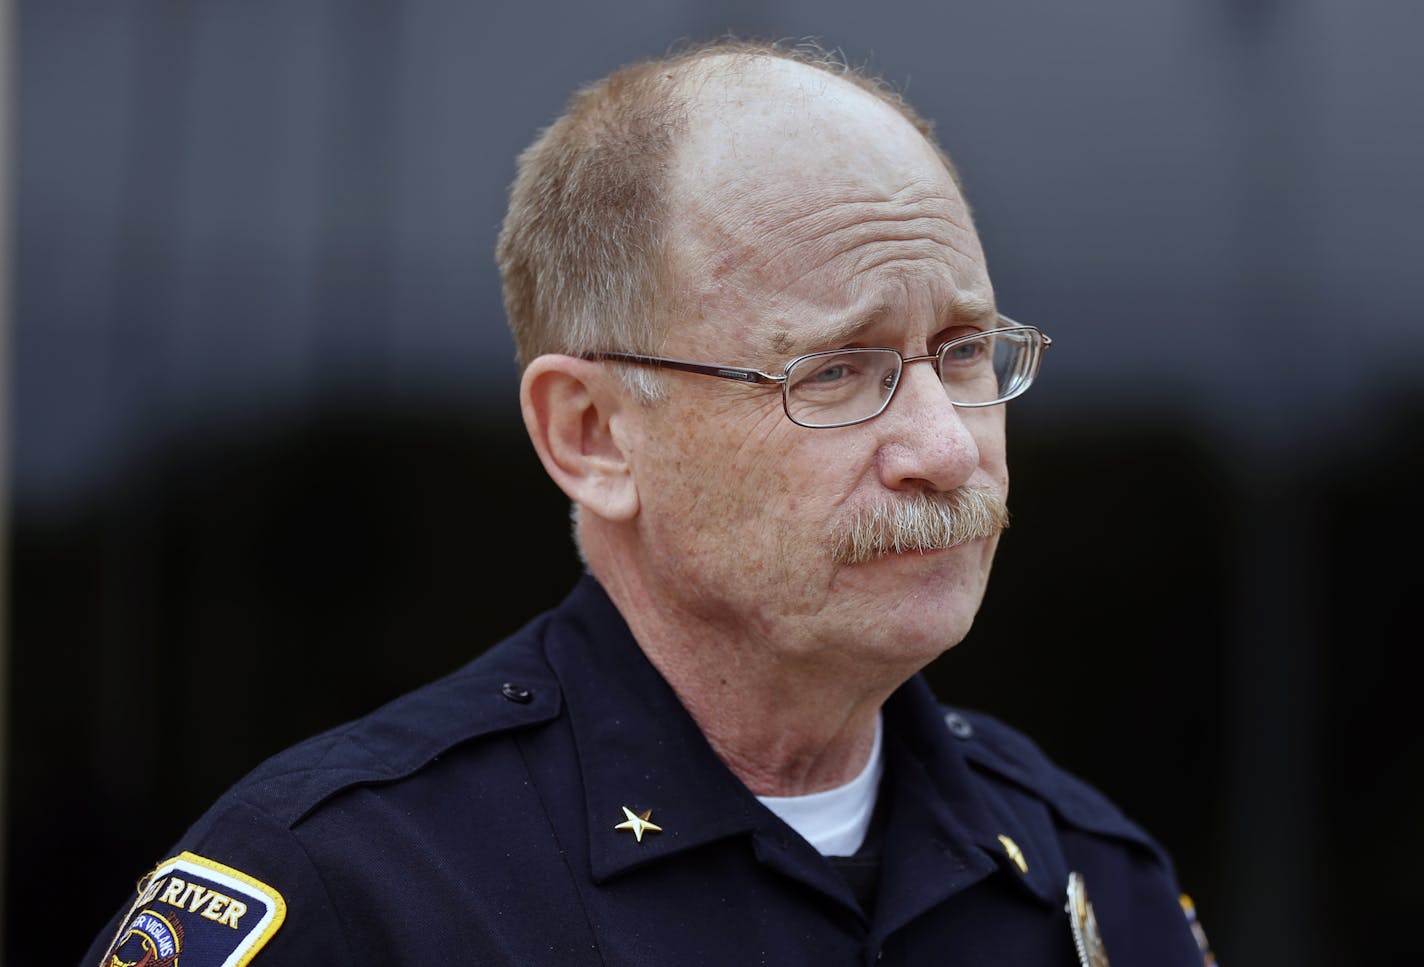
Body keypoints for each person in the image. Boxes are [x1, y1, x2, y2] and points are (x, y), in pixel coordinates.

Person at [83, 38, 1216, 966]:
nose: (940, 447)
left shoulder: (1087, 874)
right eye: (832, 371)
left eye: (963, 352)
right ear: (591, 434)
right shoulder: (352, 894)